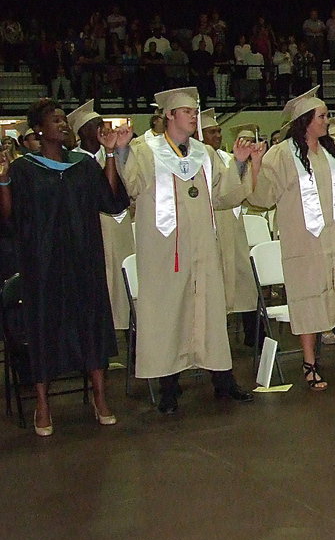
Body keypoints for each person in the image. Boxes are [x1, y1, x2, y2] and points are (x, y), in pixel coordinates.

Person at [116, 87, 255, 414]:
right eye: (188, 111)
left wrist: (238, 163)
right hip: (164, 251)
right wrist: (120, 153)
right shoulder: (145, 151)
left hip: (204, 248)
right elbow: (131, 186)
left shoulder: (204, 154)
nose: (194, 115)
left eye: (195, 110)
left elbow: (223, 196)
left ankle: (223, 379)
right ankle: (168, 386)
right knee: (168, 314)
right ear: (169, 115)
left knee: (209, 311)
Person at [0, 99, 130, 435]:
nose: (63, 125)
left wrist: (111, 155)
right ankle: (42, 406)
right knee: (43, 327)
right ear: (39, 128)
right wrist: (2, 180)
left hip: (83, 260)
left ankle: (100, 398)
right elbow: (9, 217)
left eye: (64, 120)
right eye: (56, 120)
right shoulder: (24, 169)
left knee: (91, 323)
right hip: (41, 265)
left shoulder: (83, 166)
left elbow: (110, 199)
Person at [247, 87, 335, 389]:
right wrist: (256, 164)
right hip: (304, 243)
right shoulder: (280, 155)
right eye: (322, 116)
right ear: (305, 120)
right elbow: (262, 197)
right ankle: (309, 363)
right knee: (308, 300)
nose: (327, 121)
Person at [67, 101, 135, 335]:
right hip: (93, 231)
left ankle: (133, 342)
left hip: (121, 229)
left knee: (126, 286)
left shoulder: (120, 153)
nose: (102, 129)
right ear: (82, 132)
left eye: (102, 123)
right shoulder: (72, 161)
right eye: (95, 125)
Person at [201, 115, 260, 347]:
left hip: (233, 227)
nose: (217, 136)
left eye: (218, 131)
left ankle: (254, 335)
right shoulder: (198, 159)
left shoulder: (228, 158)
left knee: (243, 282)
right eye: (211, 132)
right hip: (213, 229)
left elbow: (245, 189)